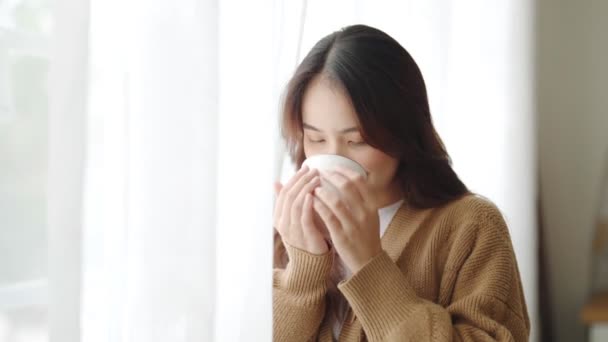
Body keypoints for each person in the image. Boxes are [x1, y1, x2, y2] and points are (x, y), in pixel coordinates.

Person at [272, 24, 530, 341]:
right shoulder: (287, 228)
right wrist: (302, 272)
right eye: (315, 138)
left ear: (403, 133)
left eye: (358, 141)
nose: (333, 158)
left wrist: (369, 265)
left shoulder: (471, 226)